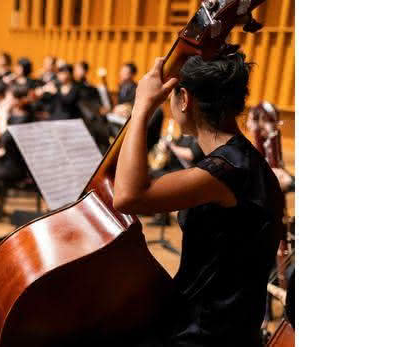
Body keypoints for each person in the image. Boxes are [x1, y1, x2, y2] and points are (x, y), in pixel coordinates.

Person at [113, 51, 285, 347]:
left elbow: (128, 196)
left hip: (206, 333)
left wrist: (141, 108)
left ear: (184, 99)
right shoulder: (240, 159)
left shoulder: (226, 171)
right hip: (227, 324)